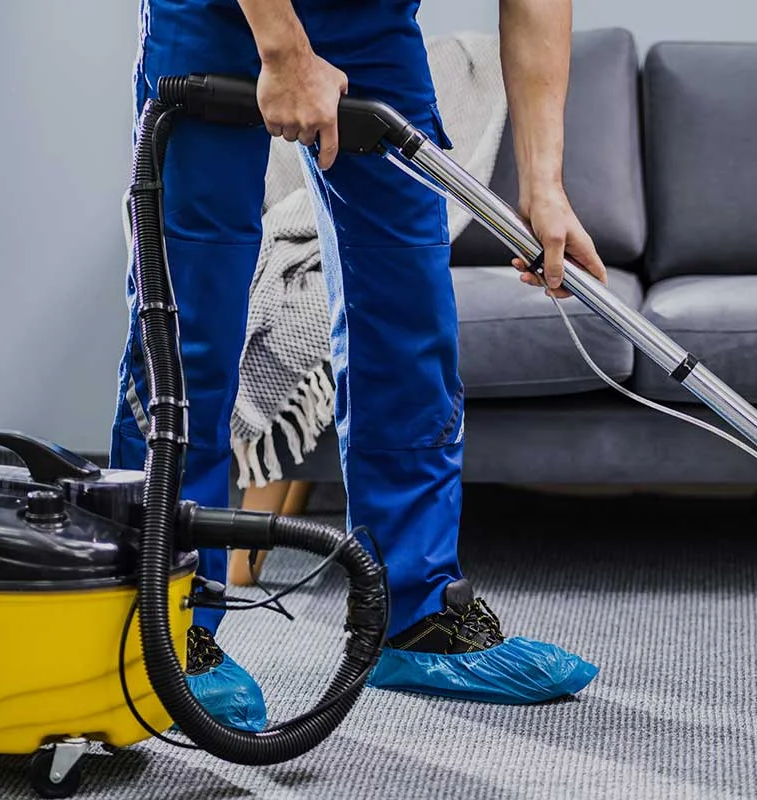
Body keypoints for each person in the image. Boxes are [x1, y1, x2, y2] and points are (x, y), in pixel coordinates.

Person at [116, 0, 604, 731]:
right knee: (193, 314)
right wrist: (282, 53)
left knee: (406, 306)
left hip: (368, 21)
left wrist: (543, 184)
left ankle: (415, 619)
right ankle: (158, 620)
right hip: (218, 13)